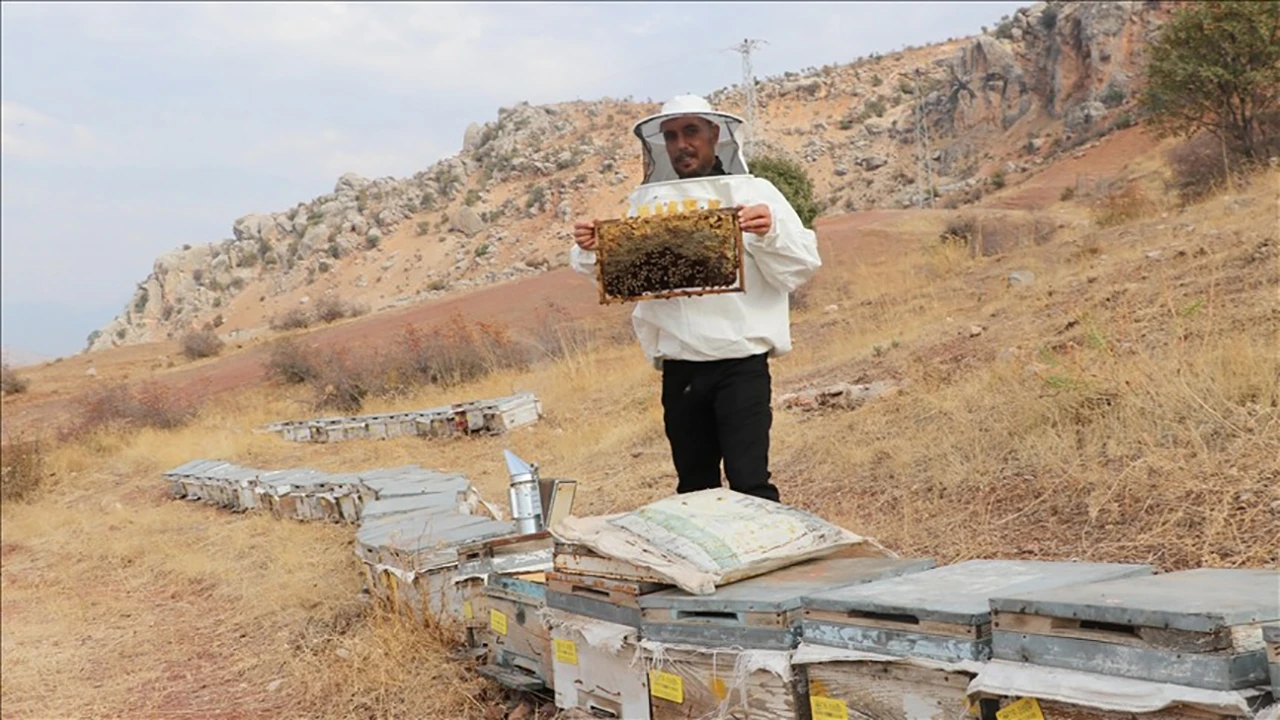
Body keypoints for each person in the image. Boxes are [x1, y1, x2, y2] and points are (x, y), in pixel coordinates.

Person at [568, 94, 821, 503]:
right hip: (681, 371)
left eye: (691, 132)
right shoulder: (648, 202)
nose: (681, 144)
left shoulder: (755, 192)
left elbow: (801, 265)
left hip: (740, 366)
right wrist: (593, 246)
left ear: (714, 135)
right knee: (694, 491)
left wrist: (769, 230)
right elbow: (616, 274)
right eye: (670, 136)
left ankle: (768, 565)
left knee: (750, 483)